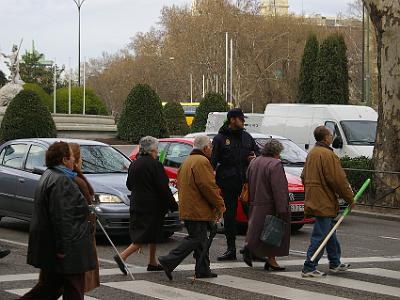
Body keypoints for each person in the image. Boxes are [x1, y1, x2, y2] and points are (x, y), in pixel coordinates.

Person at [19, 141, 96, 300]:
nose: (75, 161)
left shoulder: (49, 175)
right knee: (73, 290)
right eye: (72, 157)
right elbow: (63, 219)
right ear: (64, 160)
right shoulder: (62, 180)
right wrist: (63, 249)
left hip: (54, 246)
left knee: (48, 288)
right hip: (69, 249)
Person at [159, 135, 226, 280]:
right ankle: (169, 260)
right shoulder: (202, 161)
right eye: (211, 147)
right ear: (205, 148)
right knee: (196, 238)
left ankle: (202, 268)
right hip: (197, 209)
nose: (212, 150)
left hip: (189, 207)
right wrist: (220, 204)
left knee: (201, 240)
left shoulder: (187, 161)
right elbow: (208, 186)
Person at [114, 136, 178, 274]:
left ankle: (152, 261)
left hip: (137, 203)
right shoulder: (155, 165)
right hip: (152, 206)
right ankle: (122, 256)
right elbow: (163, 187)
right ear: (153, 149)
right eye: (157, 149)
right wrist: (173, 205)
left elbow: (129, 185)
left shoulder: (134, 164)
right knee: (144, 235)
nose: (157, 151)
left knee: (153, 233)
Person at [301, 126, 354, 277]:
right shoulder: (327, 155)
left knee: (329, 232)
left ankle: (335, 262)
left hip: (315, 196)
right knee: (321, 235)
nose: (331, 137)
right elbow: (338, 180)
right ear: (325, 138)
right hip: (324, 200)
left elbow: (303, 176)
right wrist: (349, 198)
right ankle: (309, 266)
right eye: (330, 135)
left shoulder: (312, 153)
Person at [211, 108, 259, 261]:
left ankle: (253, 248)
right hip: (227, 181)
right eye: (241, 119)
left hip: (245, 181)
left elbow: (257, 153)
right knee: (230, 216)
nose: (243, 121)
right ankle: (231, 249)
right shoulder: (220, 138)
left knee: (252, 215)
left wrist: (253, 158)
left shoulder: (247, 137)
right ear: (232, 120)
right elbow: (212, 162)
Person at [242, 139, 290, 271]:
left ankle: (253, 250)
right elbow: (278, 188)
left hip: (255, 202)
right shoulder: (275, 164)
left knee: (258, 230)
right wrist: (282, 208)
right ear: (276, 152)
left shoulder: (255, 162)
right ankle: (270, 259)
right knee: (274, 232)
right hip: (270, 205)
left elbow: (248, 178)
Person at [69, 143, 100, 292]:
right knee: (75, 285)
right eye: (80, 158)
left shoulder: (67, 178)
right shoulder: (75, 181)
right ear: (75, 160)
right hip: (78, 238)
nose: (82, 161)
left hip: (75, 237)